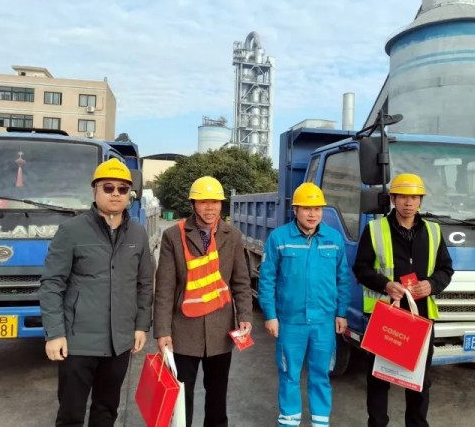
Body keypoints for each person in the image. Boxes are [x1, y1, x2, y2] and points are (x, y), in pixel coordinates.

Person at [39, 158, 154, 427]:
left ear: (129, 194)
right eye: (108, 187)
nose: (116, 194)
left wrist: (141, 326)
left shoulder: (138, 234)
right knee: (71, 414)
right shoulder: (71, 231)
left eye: (122, 189)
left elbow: (144, 283)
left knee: (106, 411)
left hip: (119, 343)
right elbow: (52, 284)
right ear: (95, 190)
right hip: (78, 342)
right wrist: (55, 333)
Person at [353, 173, 454, 427]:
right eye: (403, 197)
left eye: (414, 197)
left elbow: (446, 269)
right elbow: (361, 268)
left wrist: (432, 284)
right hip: (386, 316)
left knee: (419, 380)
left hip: (421, 317)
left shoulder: (433, 231)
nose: (409, 203)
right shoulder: (375, 229)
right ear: (393, 199)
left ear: (420, 201)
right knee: (379, 377)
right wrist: (385, 285)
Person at [153, 176, 253, 427]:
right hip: (183, 332)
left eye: (215, 202)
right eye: (204, 202)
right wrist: (163, 331)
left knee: (217, 400)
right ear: (193, 204)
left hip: (220, 332)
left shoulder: (233, 236)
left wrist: (245, 316)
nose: (210, 208)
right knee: (181, 400)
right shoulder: (174, 236)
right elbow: (165, 287)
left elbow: (241, 282)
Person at [258, 182, 351, 427]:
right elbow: (267, 279)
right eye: (307, 209)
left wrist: (341, 313)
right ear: (295, 210)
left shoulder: (333, 239)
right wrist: (270, 315)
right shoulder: (279, 238)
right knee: (289, 374)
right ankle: (289, 422)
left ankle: (320, 422)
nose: (312, 214)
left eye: (317, 209)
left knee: (321, 375)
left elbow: (343, 278)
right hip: (290, 322)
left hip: (323, 322)